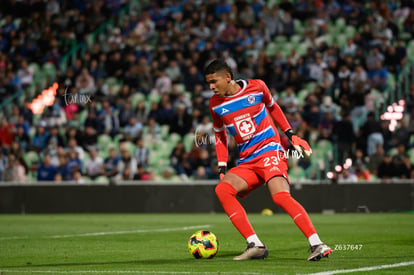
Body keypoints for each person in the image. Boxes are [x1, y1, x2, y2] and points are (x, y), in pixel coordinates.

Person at [204, 59, 331, 261]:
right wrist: (222, 166)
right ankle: (255, 244)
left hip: (270, 151)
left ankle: (317, 244)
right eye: (208, 83)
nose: (211, 87)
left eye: (214, 81)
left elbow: (274, 108)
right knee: (223, 189)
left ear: (227, 77)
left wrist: (291, 134)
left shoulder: (257, 86)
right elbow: (220, 136)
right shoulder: (215, 104)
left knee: (280, 196)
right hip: (247, 161)